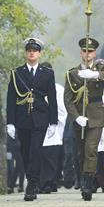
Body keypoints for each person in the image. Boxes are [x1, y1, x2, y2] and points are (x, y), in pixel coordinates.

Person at [64, 37, 104, 201]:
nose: (87, 54)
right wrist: (76, 117)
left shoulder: (100, 68)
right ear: (81, 53)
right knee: (80, 153)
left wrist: (96, 74)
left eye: (91, 51)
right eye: (85, 51)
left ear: (94, 53)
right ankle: (83, 180)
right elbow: (67, 99)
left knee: (91, 150)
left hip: (95, 115)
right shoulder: (72, 73)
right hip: (79, 117)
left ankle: (88, 184)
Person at [6, 37, 58, 201]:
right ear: (26, 53)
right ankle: (32, 179)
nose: (32, 53)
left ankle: (32, 185)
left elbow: (52, 98)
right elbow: (11, 99)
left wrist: (53, 122)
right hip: (22, 118)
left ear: (39, 53)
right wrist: (10, 122)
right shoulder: (17, 73)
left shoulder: (47, 73)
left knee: (35, 151)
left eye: (34, 51)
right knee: (25, 153)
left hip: (41, 118)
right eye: (29, 50)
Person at [40, 62, 67, 194]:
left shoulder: (59, 90)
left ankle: (50, 183)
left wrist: (53, 122)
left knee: (52, 159)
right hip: (39, 129)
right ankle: (42, 183)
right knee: (40, 158)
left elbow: (63, 112)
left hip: (54, 129)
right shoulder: (36, 88)